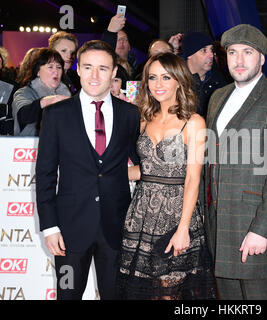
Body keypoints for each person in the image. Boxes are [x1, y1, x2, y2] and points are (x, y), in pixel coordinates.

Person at [36, 40, 140, 300]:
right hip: (69, 233)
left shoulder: (130, 114)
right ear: (78, 70)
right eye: (88, 67)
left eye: (103, 68)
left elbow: (142, 163)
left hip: (117, 230)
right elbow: (46, 174)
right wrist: (50, 227)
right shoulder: (56, 115)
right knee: (68, 295)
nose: (95, 76)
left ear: (114, 72)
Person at [204, 24, 267, 300]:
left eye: (248, 52)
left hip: (253, 228)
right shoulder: (217, 97)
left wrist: (262, 230)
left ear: (261, 58)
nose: (239, 59)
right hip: (218, 226)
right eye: (233, 52)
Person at [116, 52, 216, 300]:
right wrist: (101, 176)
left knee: (172, 291)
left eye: (165, 77)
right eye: (152, 78)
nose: (158, 84)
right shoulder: (143, 120)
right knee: (142, 291)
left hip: (177, 215)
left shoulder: (193, 122)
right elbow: (146, 170)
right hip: (141, 215)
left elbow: (193, 177)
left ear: (179, 81)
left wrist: (183, 228)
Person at [12, 48, 71, 136]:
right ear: (38, 71)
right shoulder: (24, 92)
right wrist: (45, 102)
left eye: (59, 67)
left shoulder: (67, 95)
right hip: (30, 147)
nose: (56, 72)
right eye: (50, 67)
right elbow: (23, 115)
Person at [179, 31, 228, 118]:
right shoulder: (177, 83)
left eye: (211, 50)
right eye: (204, 50)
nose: (211, 55)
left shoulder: (219, 81)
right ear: (189, 55)